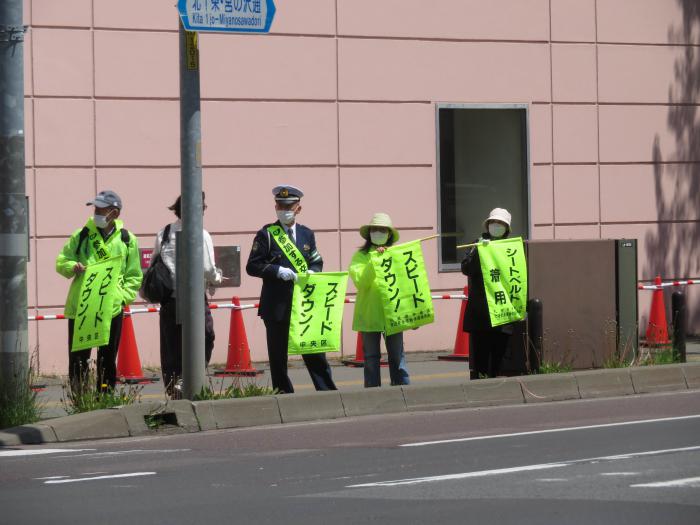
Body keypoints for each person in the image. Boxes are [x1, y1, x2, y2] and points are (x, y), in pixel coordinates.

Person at [246, 185, 336, 394]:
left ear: (298, 208)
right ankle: (283, 393)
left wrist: (313, 271)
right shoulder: (267, 234)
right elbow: (253, 266)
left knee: (314, 350)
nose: (284, 209)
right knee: (278, 355)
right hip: (277, 304)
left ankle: (326, 391)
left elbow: (316, 260)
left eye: (289, 205)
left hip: (304, 303)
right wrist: (277, 271)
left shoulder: (306, 234)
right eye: (280, 205)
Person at [55, 190, 142, 392]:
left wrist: (121, 297)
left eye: (100, 209)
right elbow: (61, 262)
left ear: (114, 213)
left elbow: (134, 276)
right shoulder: (82, 234)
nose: (96, 213)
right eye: (95, 208)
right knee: (78, 357)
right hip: (83, 306)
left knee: (107, 356)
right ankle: (80, 398)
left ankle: (105, 396)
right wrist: (72, 267)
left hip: (110, 307)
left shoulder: (127, 239)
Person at [152, 192, 223, 398]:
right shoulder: (201, 234)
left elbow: (154, 264)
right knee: (205, 337)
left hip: (169, 299)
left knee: (171, 347)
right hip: (194, 300)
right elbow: (208, 268)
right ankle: (189, 378)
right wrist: (217, 279)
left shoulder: (164, 233)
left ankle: (174, 390)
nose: (202, 211)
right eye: (201, 208)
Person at [349, 213, 410, 388]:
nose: (378, 233)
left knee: (397, 356)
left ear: (389, 234)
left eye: (383, 230)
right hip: (369, 314)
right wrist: (375, 260)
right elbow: (361, 281)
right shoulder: (361, 256)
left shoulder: (398, 255)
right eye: (375, 229)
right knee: (370, 358)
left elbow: (407, 285)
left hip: (395, 313)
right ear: (369, 233)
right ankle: (372, 392)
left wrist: (412, 313)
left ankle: (403, 391)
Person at [461, 207, 516, 379]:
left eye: (501, 223)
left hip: (503, 309)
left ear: (507, 228)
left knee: (500, 356)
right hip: (481, 311)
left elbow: (518, 277)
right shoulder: (477, 244)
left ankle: (496, 388)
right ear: (488, 225)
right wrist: (478, 252)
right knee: (481, 357)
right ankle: (480, 386)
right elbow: (466, 268)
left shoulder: (512, 248)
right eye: (494, 222)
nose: (497, 226)